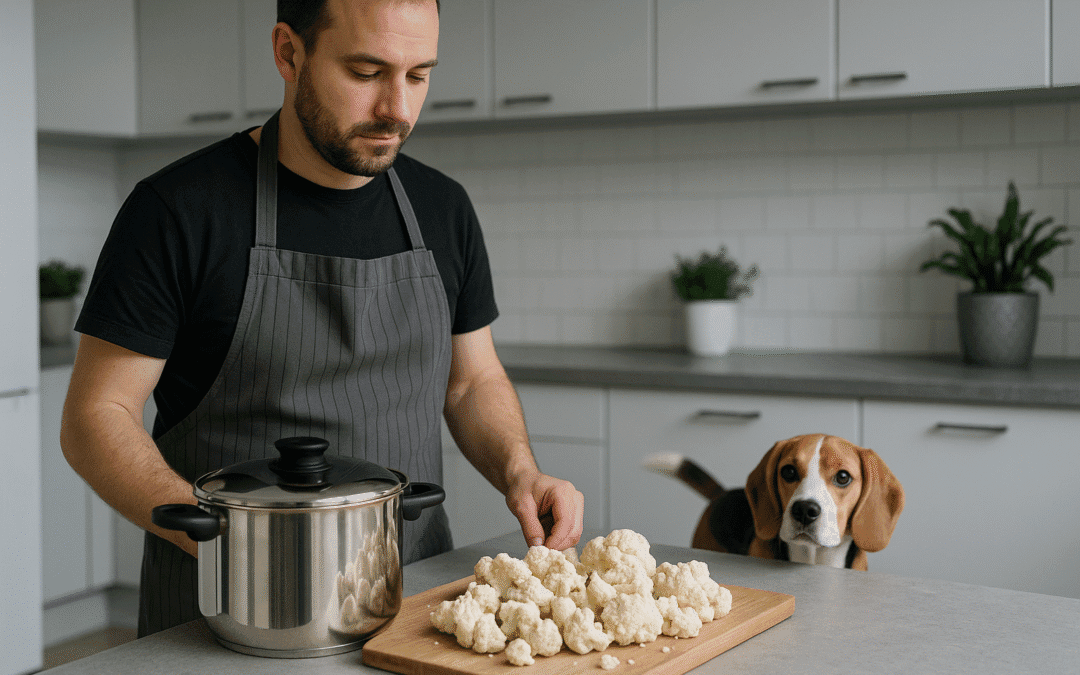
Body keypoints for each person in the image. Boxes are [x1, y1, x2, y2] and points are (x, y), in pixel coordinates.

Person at [60, 0, 584, 637]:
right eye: (366, 73)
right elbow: (97, 416)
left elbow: (471, 382)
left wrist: (522, 474)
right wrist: (226, 541)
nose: (397, 108)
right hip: (227, 607)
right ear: (288, 53)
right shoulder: (178, 210)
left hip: (410, 601)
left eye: (418, 75)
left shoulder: (442, 208)